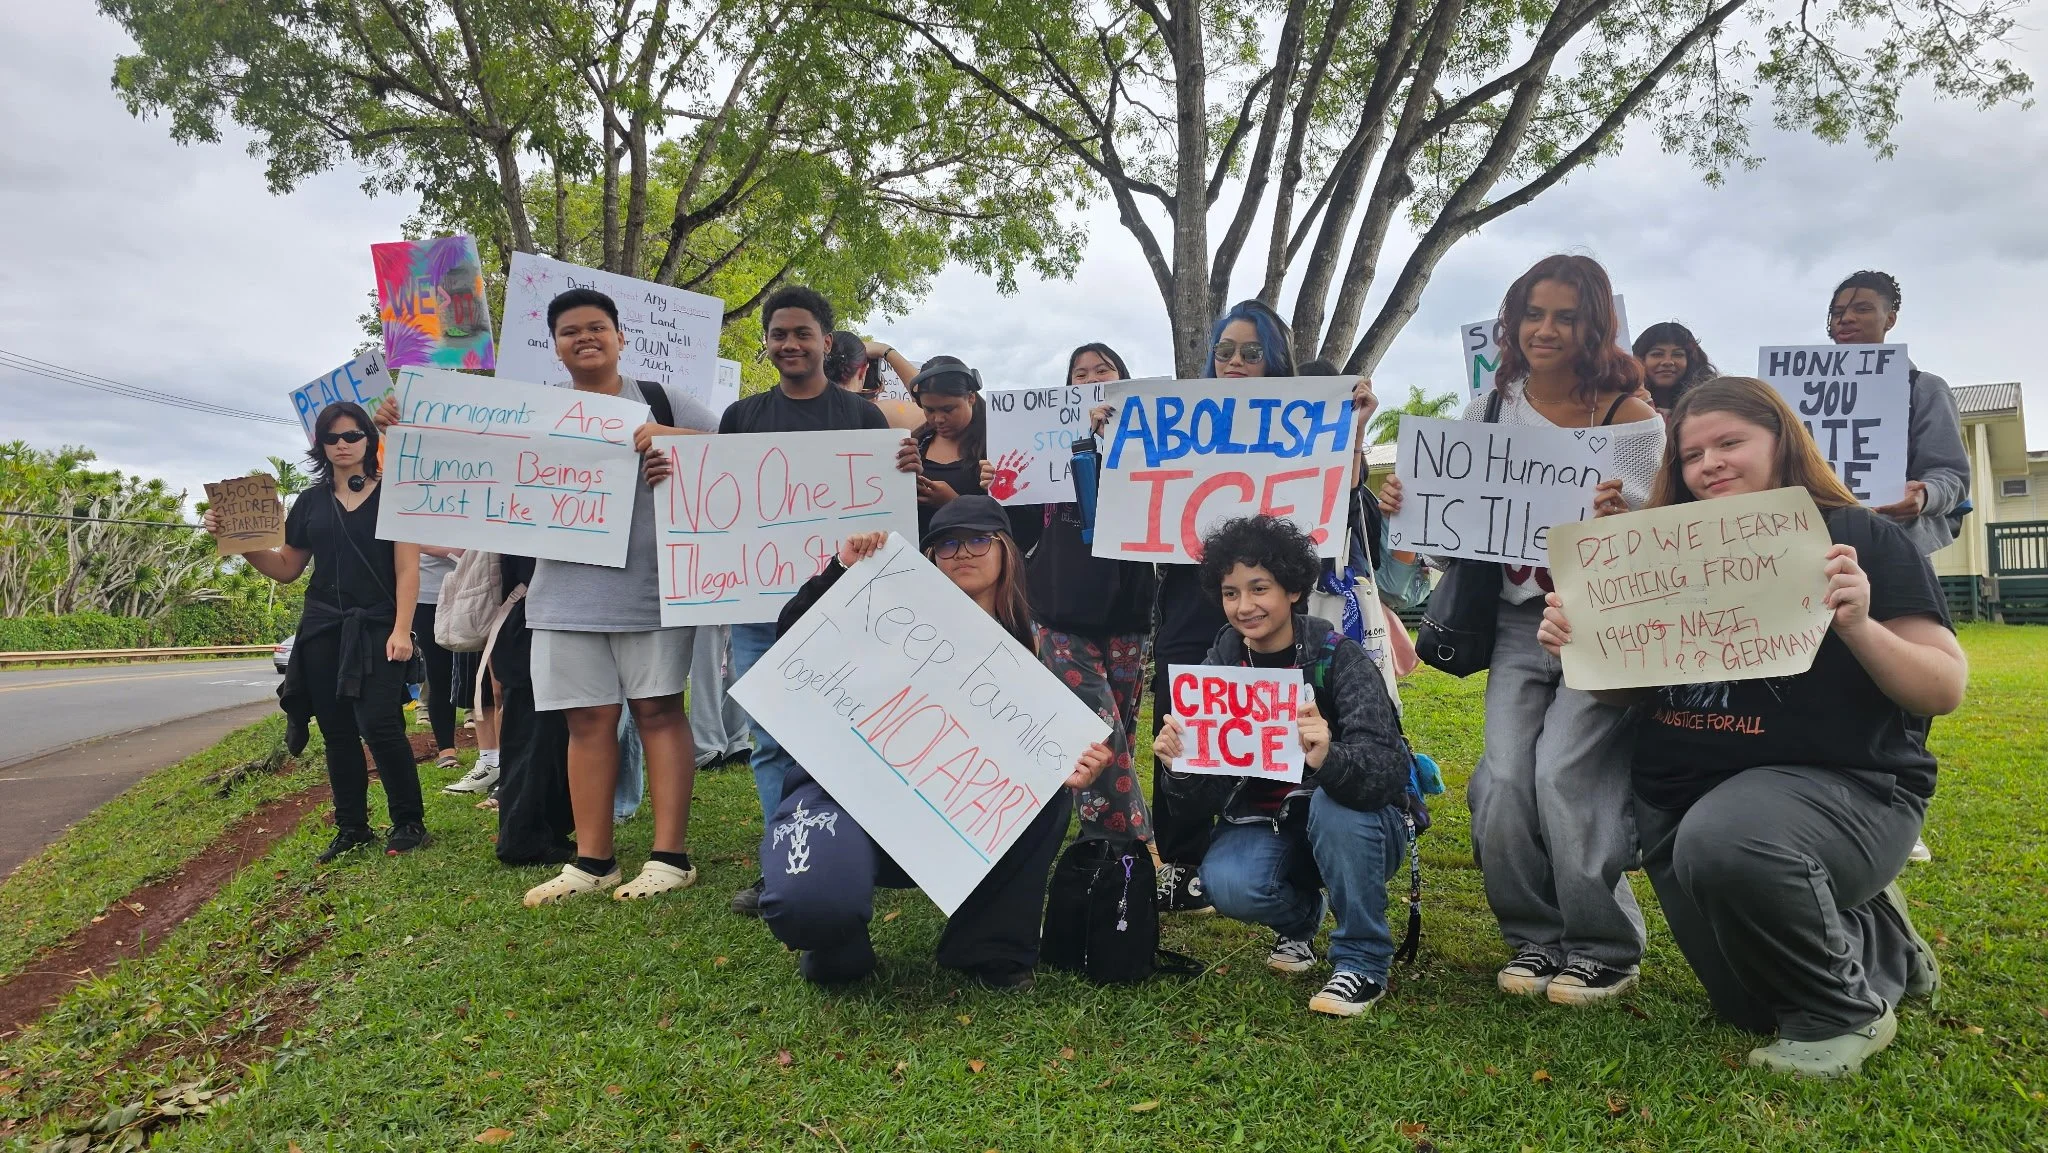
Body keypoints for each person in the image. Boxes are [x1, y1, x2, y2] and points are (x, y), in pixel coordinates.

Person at [1537, 375, 1961, 1077]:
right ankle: (1880, 937)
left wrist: (1855, 623)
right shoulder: (1662, 550)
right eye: (1693, 453)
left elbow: (1942, 685)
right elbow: (1625, 694)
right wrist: (1580, 646)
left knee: (1735, 843)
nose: (1711, 464)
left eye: (1731, 442)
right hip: (1679, 808)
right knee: (1747, 1004)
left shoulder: (1859, 535)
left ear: (1782, 441)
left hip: (1839, 792)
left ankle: (1844, 1013)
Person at [1379, 254, 1665, 1004]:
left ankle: (1604, 945)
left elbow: (1670, 534)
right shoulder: (1492, 408)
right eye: (1532, 313)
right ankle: (1533, 938)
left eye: (1565, 315)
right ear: (1511, 321)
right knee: (1502, 779)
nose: (1545, 329)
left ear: (1594, 323)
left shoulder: (1632, 421)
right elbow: (1456, 538)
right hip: (1513, 622)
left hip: (1597, 624)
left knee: (1565, 773)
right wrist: (1410, 507)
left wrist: (1626, 516)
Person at [759, 497, 1114, 989]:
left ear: (1007, 550)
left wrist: (1078, 761)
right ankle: (835, 942)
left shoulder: (1039, 644)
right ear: (927, 556)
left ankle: (990, 949)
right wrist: (841, 570)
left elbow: (1051, 746)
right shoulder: (879, 606)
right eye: (945, 543)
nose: (961, 552)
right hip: (846, 796)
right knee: (810, 904)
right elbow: (790, 639)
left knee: (1046, 793)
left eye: (977, 539)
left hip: (950, 811)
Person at [506, 287, 719, 906]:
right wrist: (396, 417)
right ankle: (593, 860)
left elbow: (738, 453)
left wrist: (673, 442)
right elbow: (453, 442)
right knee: (587, 722)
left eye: (597, 327)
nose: (585, 338)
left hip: (652, 589)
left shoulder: (660, 400)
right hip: (563, 594)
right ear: (555, 347)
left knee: (658, 711)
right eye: (570, 331)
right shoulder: (532, 411)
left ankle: (669, 856)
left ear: (621, 337)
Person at [715, 285, 922, 916]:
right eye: (779, 334)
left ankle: (860, 851)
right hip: (760, 610)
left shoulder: (864, 419)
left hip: (846, 609)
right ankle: (784, 860)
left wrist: (904, 467)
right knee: (772, 739)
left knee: (856, 731)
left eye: (802, 333)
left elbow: (895, 495)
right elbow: (718, 503)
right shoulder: (742, 417)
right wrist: (672, 478)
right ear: (767, 343)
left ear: (826, 342)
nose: (790, 344)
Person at [1154, 516, 1413, 1017]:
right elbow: (1197, 802)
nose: (1244, 607)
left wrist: (1328, 757)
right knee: (1226, 882)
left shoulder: (1339, 658)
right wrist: (1179, 767)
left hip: (1358, 823)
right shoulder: (1219, 666)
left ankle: (1362, 960)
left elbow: (1387, 770)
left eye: (1259, 588)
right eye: (1231, 593)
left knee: (1336, 809)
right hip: (1270, 824)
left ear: (1294, 589)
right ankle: (1300, 921)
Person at [207, 402, 428, 862]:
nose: (343, 445)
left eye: (352, 436)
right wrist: (240, 541)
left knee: (381, 725)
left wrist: (403, 629)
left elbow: (408, 569)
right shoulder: (309, 502)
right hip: (323, 626)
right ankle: (352, 827)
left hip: (379, 626)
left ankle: (409, 822)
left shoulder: (396, 494)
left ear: (370, 439)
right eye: (332, 438)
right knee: (337, 731)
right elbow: (287, 568)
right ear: (320, 446)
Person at [1827, 269, 1969, 867]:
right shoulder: (1795, 389)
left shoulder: (1923, 388)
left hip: (1895, 550)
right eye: (1836, 312)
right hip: (1820, 547)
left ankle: (1895, 805)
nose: (1846, 320)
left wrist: (1920, 499)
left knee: (1906, 671)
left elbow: (1950, 475)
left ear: (1892, 318)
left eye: (1861, 308)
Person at [1026, 343, 1157, 844]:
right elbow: (1017, 523)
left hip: (1128, 609)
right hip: (1060, 613)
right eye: (1079, 374)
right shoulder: (1045, 450)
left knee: (1118, 727)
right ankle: (1138, 846)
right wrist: (1000, 480)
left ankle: (1098, 837)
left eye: (1103, 371)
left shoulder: (1146, 445)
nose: (1091, 379)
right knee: (1097, 728)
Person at [908, 355, 990, 538]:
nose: (938, 419)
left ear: (970, 397)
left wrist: (954, 504)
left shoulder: (997, 445)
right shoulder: (919, 441)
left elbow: (1020, 522)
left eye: (948, 409)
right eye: (929, 410)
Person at [412, 546, 464, 770]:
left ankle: (490, 754)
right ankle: (446, 750)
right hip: (426, 596)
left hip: (475, 588)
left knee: (486, 676)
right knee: (439, 673)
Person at [827, 331, 922, 430]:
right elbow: (926, 402)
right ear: (863, 371)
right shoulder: (882, 412)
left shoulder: (812, 411)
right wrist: (885, 350)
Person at [1632, 321, 1716, 414]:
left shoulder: (1711, 405)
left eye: (1677, 354)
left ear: (1690, 361)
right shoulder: (1623, 404)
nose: (1668, 362)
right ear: (1640, 360)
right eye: (1657, 354)